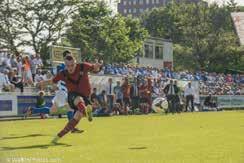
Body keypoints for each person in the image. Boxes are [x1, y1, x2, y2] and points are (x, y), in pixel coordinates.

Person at [37, 54, 102, 144]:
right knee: (78, 99)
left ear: (76, 63)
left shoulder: (83, 66)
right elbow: (52, 81)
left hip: (85, 96)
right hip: (72, 96)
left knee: (76, 119)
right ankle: (87, 112)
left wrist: (97, 66)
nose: (70, 68)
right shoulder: (63, 73)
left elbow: (95, 68)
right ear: (65, 65)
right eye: (68, 66)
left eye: (72, 65)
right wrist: (42, 83)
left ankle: (58, 136)